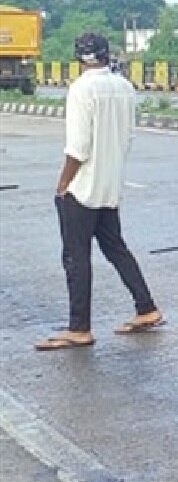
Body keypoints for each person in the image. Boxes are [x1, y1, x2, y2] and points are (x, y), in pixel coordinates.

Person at [36, 33, 165, 351]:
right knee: (115, 248)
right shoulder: (124, 87)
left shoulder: (81, 89)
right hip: (110, 184)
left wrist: (63, 183)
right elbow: (129, 136)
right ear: (108, 55)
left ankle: (79, 328)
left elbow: (78, 148)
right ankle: (146, 307)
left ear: (79, 58)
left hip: (82, 188)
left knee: (75, 257)